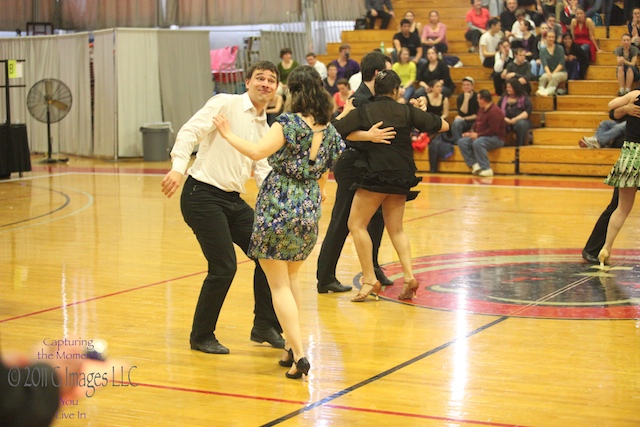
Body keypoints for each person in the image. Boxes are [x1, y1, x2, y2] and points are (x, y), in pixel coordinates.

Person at [212, 66, 351, 380]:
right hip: (308, 206)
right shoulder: (329, 130)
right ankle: (291, 346)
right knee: (291, 281)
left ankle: (300, 354)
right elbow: (325, 172)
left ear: (295, 92)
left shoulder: (288, 123)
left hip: (279, 203)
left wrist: (227, 133)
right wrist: (321, 191)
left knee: (278, 284)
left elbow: (259, 151)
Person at [161, 61, 284, 355]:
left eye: (271, 80)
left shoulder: (265, 126)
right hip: (201, 194)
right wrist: (179, 168)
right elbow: (189, 132)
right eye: (260, 78)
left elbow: (263, 170)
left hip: (231, 200)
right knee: (224, 267)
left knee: (268, 253)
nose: (265, 84)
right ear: (248, 83)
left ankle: (264, 326)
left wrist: (279, 205)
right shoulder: (225, 103)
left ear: (276, 88)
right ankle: (201, 335)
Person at [333, 69, 448, 302]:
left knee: (356, 224)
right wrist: (421, 112)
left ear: (376, 89)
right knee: (396, 229)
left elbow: (335, 130)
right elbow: (444, 125)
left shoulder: (366, 110)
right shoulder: (407, 111)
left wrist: (361, 128)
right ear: (396, 91)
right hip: (402, 175)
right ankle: (408, 276)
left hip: (376, 174)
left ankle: (369, 279)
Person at [316, 51, 397, 294]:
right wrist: (366, 135)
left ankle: (372, 268)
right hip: (352, 166)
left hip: (370, 166)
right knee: (342, 221)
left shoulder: (376, 98)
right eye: (387, 70)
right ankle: (325, 277)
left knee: (377, 219)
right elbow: (336, 130)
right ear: (376, 73)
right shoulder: (359, 99)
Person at [596, 89, 640, 267]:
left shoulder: (635, 95)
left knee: (621, 209)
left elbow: (611, 105)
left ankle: (606, 247)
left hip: (630, 156)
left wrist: (627, 108)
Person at [456, 89, 506, 177]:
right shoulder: (481, 109)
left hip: (496, 138)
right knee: (462, 141)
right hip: (482, 136)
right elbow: (477, 123)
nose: (477, 100)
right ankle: (475, 165)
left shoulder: (495, 112)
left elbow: (493, 130)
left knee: (478, 142)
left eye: (478, 98)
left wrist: (478, 135)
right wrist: (470, 132)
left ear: (483, 100)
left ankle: (486, 168)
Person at [499, 78, 532, 146]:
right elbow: (497, 110)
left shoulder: (524, 97)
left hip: (520, 120)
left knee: (521, 124)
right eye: (507, 87)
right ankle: (501, 145)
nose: (508, 89)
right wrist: (504, 119)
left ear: (516, 87)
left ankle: (519, 146)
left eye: (510, 87)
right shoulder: (503, 97)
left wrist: (515, 119)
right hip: (505, 120)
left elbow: (527, 112)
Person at [536, 30, 567, 96]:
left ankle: (547, 91)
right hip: (549, 71)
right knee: (543, 77)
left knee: (554, 77)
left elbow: (561, 63)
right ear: (546, 38)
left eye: (553, 37)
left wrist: (552, 74)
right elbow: (544, 64)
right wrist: (549, 73)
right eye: (549, 37)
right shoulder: (542, 50)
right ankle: (541, 90)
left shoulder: (560, 48)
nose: (551, 39)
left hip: (561, 72)